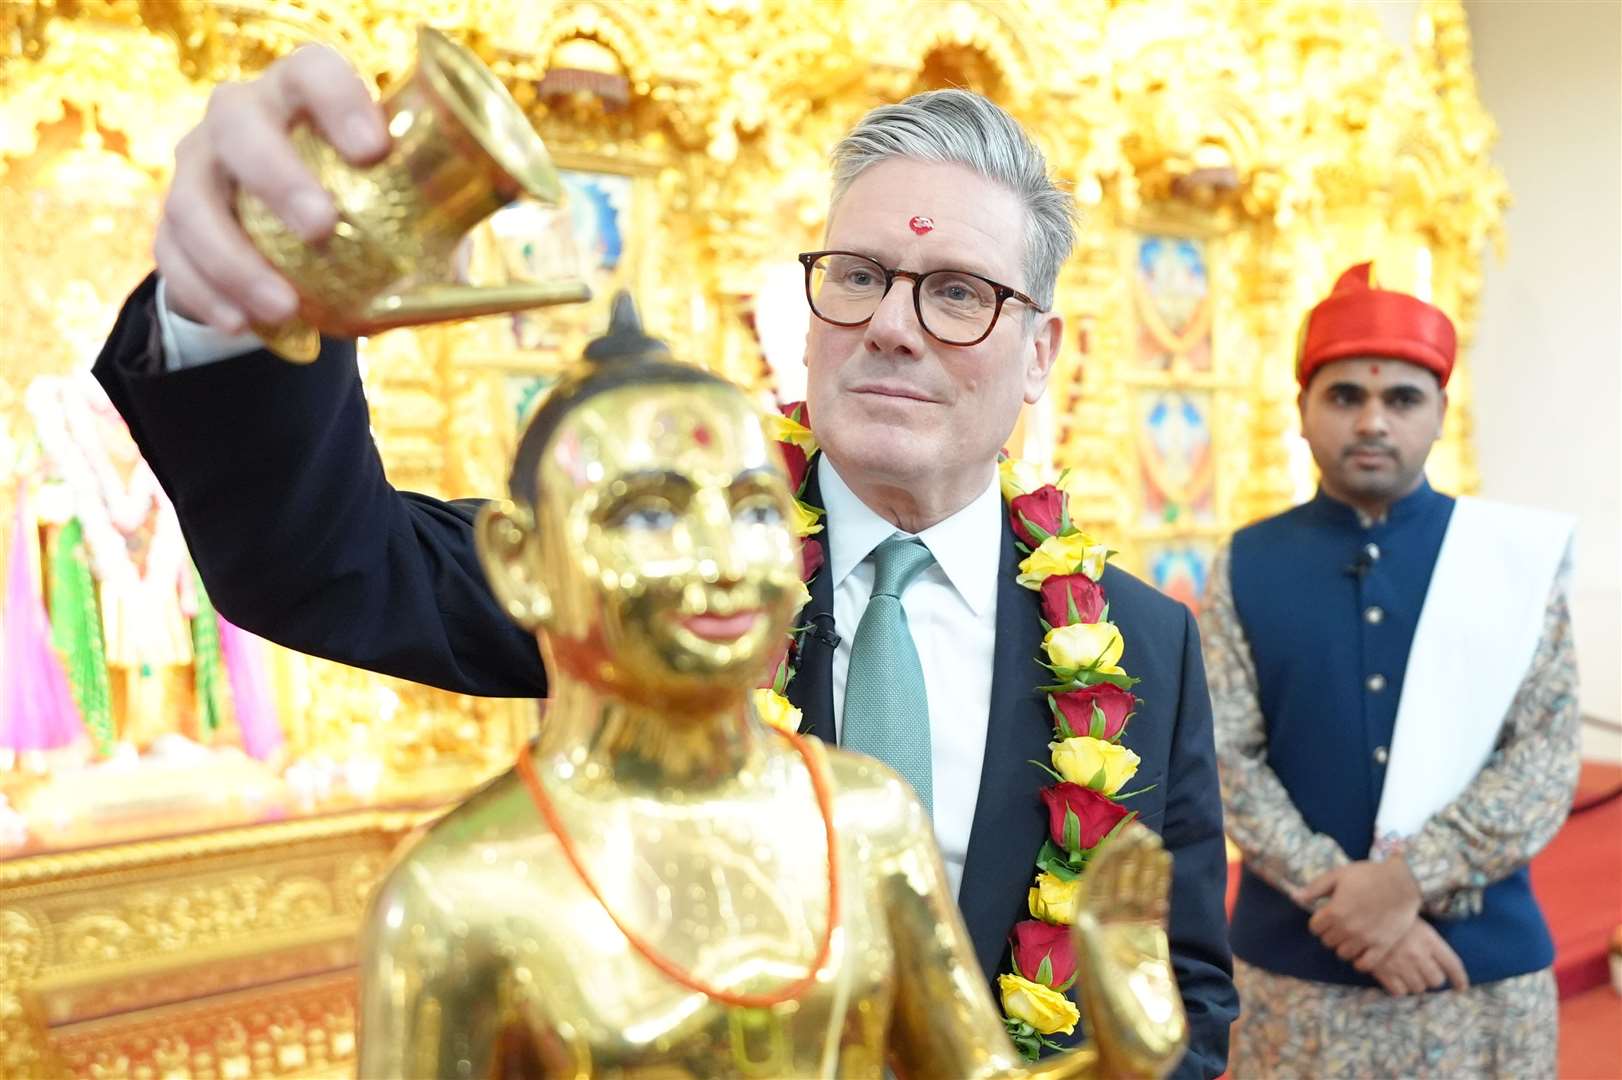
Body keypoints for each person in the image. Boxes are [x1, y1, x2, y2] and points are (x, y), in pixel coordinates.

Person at [91, 44, 1236, 1075]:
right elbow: (328, 563)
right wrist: (236, 312)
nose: (891, 323)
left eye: (954, 293)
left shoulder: (1140, 643)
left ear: (1037, 353)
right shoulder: (640, 574)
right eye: (857, 275)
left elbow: (1179, 992)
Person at [357, 300, 1188, 1077]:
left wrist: (1120, 1047)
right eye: (650, 515)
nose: (724, 561)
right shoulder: (459, 890)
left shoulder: (866, 818)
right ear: (520, 561)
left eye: (754, 511)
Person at [1200, 263, 1579, 1077]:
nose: (1373, 420)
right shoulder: (1249, 561)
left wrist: (1410, 881)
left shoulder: (1508, 562)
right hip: (1298, 977)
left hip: (1478, 973)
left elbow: (1544, 758)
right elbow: (1227, 756)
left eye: (1401, 399)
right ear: (1301, 411)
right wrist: (1353, 903)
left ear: (1441, 413)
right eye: (1344, 397)